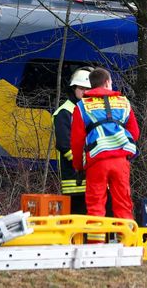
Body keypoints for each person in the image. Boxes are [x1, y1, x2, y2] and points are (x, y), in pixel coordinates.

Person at [71, 68, 140, 222]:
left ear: (91, 84)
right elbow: (134, 133)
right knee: (123, 205)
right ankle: (125, 243)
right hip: (121, 161)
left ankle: (96, 244)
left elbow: (77, 141)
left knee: (95, 207)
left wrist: (79, 166)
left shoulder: (82, 106)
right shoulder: (124, 102)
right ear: (108, 82)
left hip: (96, 162)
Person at [53, 68, 91, 214]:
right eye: (81, 88)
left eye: (88, 89)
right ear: (73, 89)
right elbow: (64, 145)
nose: (85, 92)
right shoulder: (65, 112)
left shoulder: (89, 110)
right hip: (74, 181)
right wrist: (84, 165)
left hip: (92, 179)